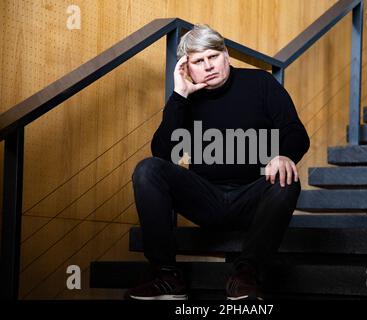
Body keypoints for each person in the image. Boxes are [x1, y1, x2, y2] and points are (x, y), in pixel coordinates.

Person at [126, 24, 310, 300]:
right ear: (188, 68)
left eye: (213, 56)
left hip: (253, 197)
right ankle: (167, 276)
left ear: (226, 55)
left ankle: (246, 274)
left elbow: (295, 132)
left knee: (288, 179)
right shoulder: (186, 100)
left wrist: (283, 155)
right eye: (199, 61)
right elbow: (163, 154)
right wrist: (179, 96)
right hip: (207, 198)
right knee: (146, 170)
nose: (208, 66)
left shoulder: (260, 83)